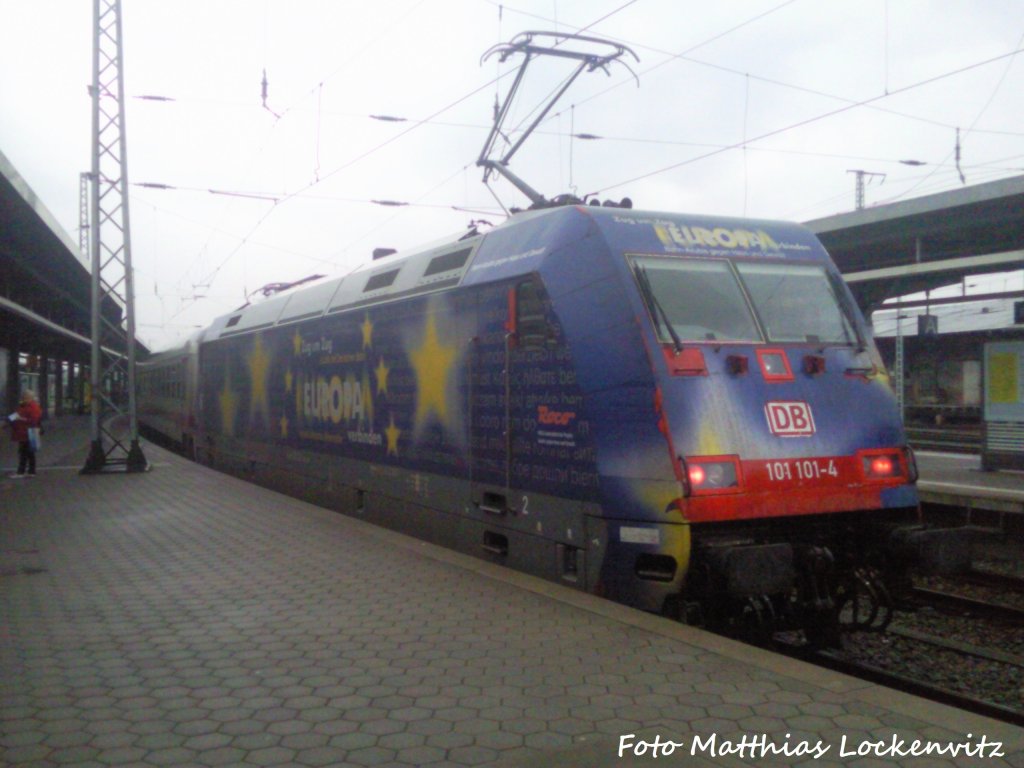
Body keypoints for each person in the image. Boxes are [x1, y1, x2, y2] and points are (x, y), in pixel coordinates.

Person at [7, 390, 42, 478]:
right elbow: (16, 415)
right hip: (26, 432)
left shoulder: (33, 407)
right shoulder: (25, 406)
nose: (23, 399)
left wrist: (21, 418)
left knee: (24, 453)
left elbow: (33, 420)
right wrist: (7, 421)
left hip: (28, 433)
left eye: (25, 397)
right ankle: (31, 471)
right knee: (29, 453)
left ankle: (21, 472)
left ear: (30, 398)